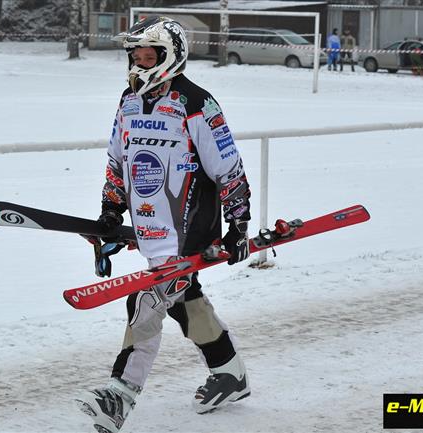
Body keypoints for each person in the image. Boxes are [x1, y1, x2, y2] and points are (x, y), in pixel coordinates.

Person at [75, 16, 252, 433]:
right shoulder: (128, 101)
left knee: (146, 302)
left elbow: (229, 168)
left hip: (191, 230)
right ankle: (229, 374)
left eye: (148, 54)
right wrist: (111, 211)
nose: (139, 62)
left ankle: (118, 397)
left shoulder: (196, 103)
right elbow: (119, 162)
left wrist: (239, 225)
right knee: (186, 302)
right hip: (152, 228)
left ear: (170, 55)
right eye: (134, 54)